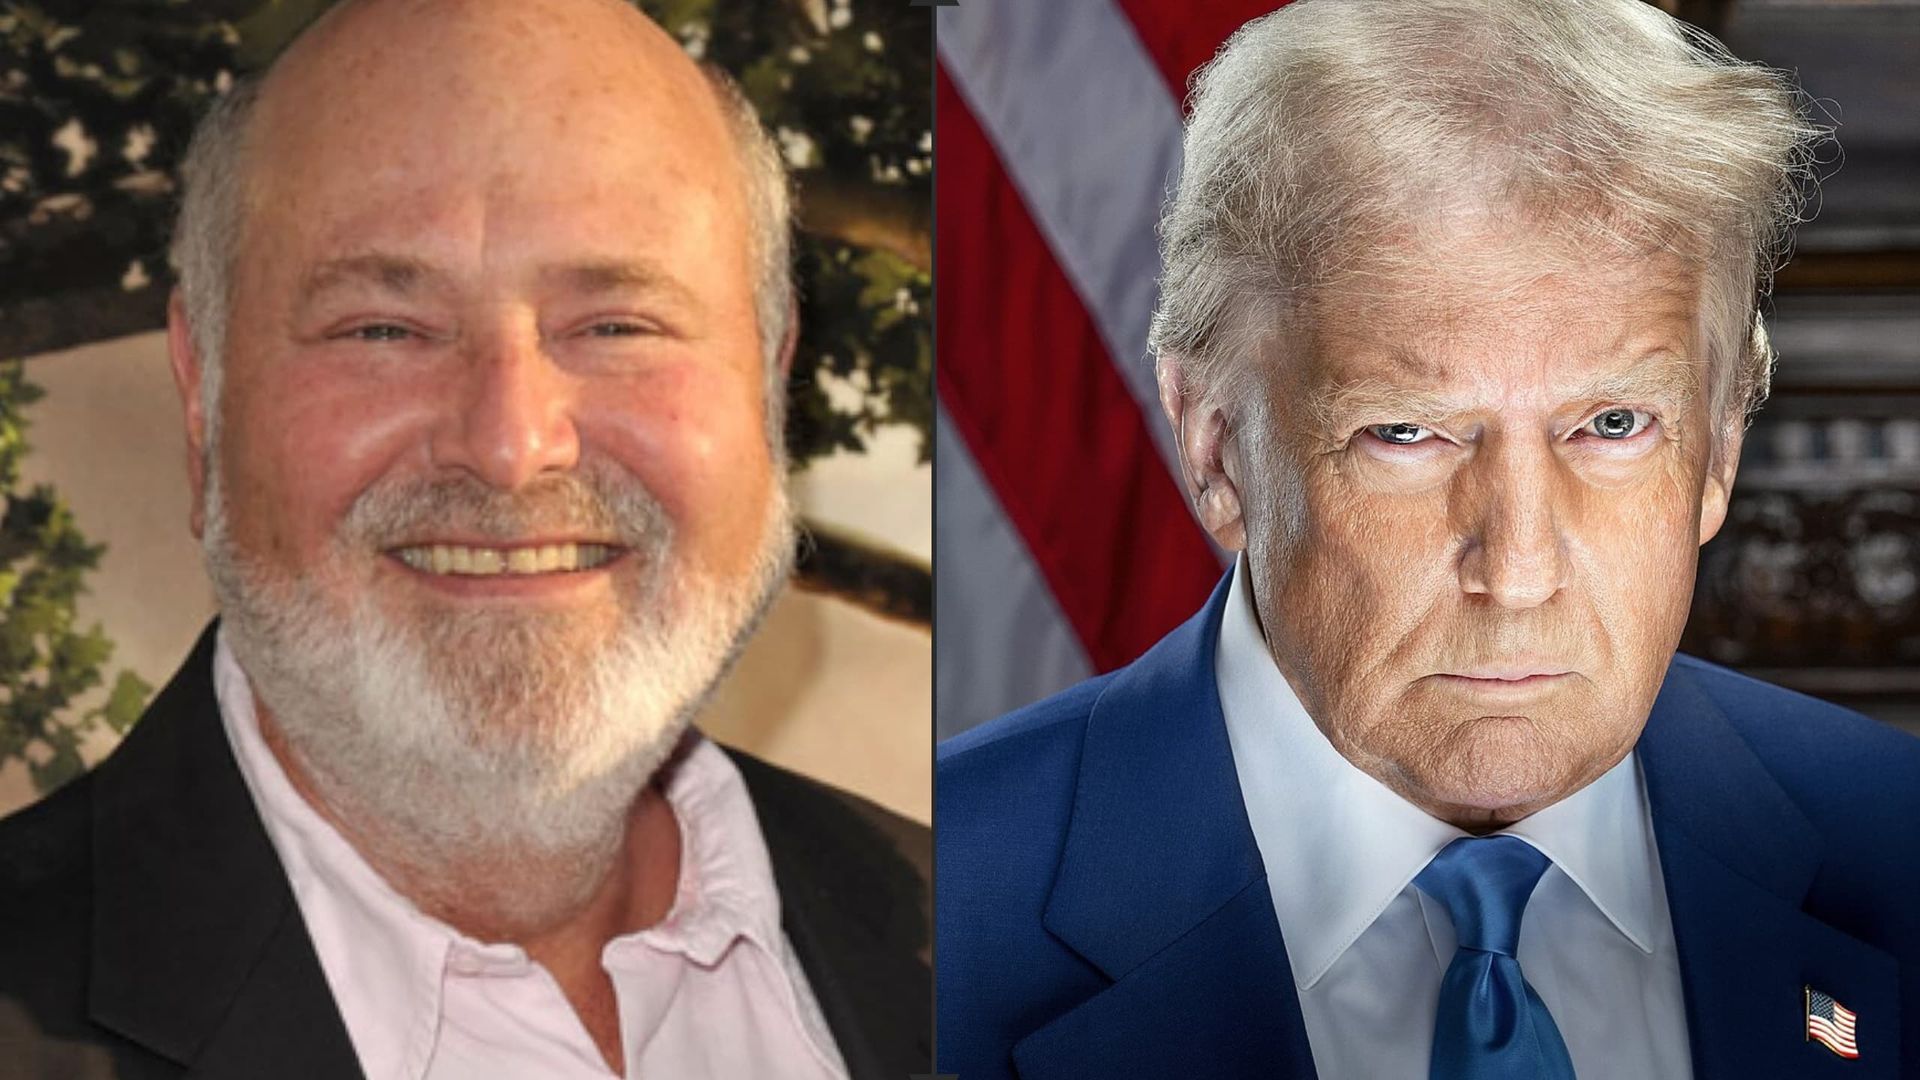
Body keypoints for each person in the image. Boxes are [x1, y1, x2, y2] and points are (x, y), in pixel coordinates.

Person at [937, 1, 1920, 1078]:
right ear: (1217, 452)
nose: (1520, 569)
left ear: (1721, 451)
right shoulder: (937, 903)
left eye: (1612, 425)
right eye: (1407, 432)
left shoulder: (1896, 842)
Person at [0, 1, 928, 1077]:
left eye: (616, 326)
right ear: (201, 390)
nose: (510, 443)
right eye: (383, 329)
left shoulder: (991, 943)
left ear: (769, 380)